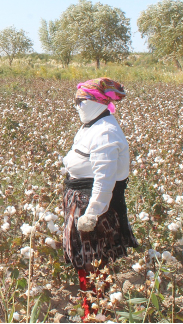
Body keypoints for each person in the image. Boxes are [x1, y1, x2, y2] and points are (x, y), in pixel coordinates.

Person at [61, 77, 138, 321]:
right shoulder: (93, 125)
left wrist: (92, 213)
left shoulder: (105, 132)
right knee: (89, 262)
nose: (77, 106)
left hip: (92, 207)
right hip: (81, 200)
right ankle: (93, 308)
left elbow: (105, 181)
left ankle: (94, 311)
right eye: (76, 101)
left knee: (92, 261)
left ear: (96, 102)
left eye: (81, 101)